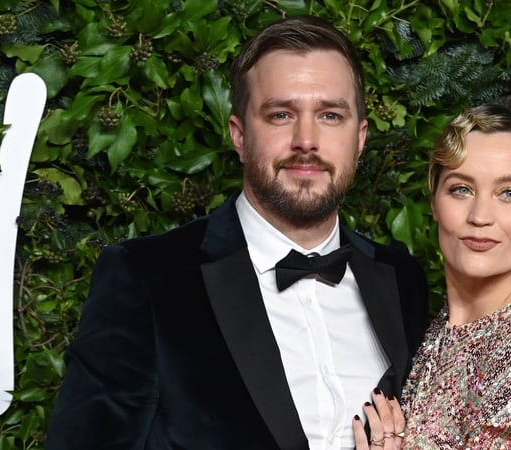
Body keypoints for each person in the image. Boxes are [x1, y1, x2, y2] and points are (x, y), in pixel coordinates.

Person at [45, 15, 429, 450]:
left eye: (330, 115)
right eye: (281, 114)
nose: (307, 140)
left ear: (359, 138)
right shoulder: (146, 277)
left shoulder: (402, 279)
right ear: (240, 136)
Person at [352, 103, 511, 449]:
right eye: (461, 189)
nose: (480, 216)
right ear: (434, 199)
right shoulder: (447, 326)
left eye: (509, 193)